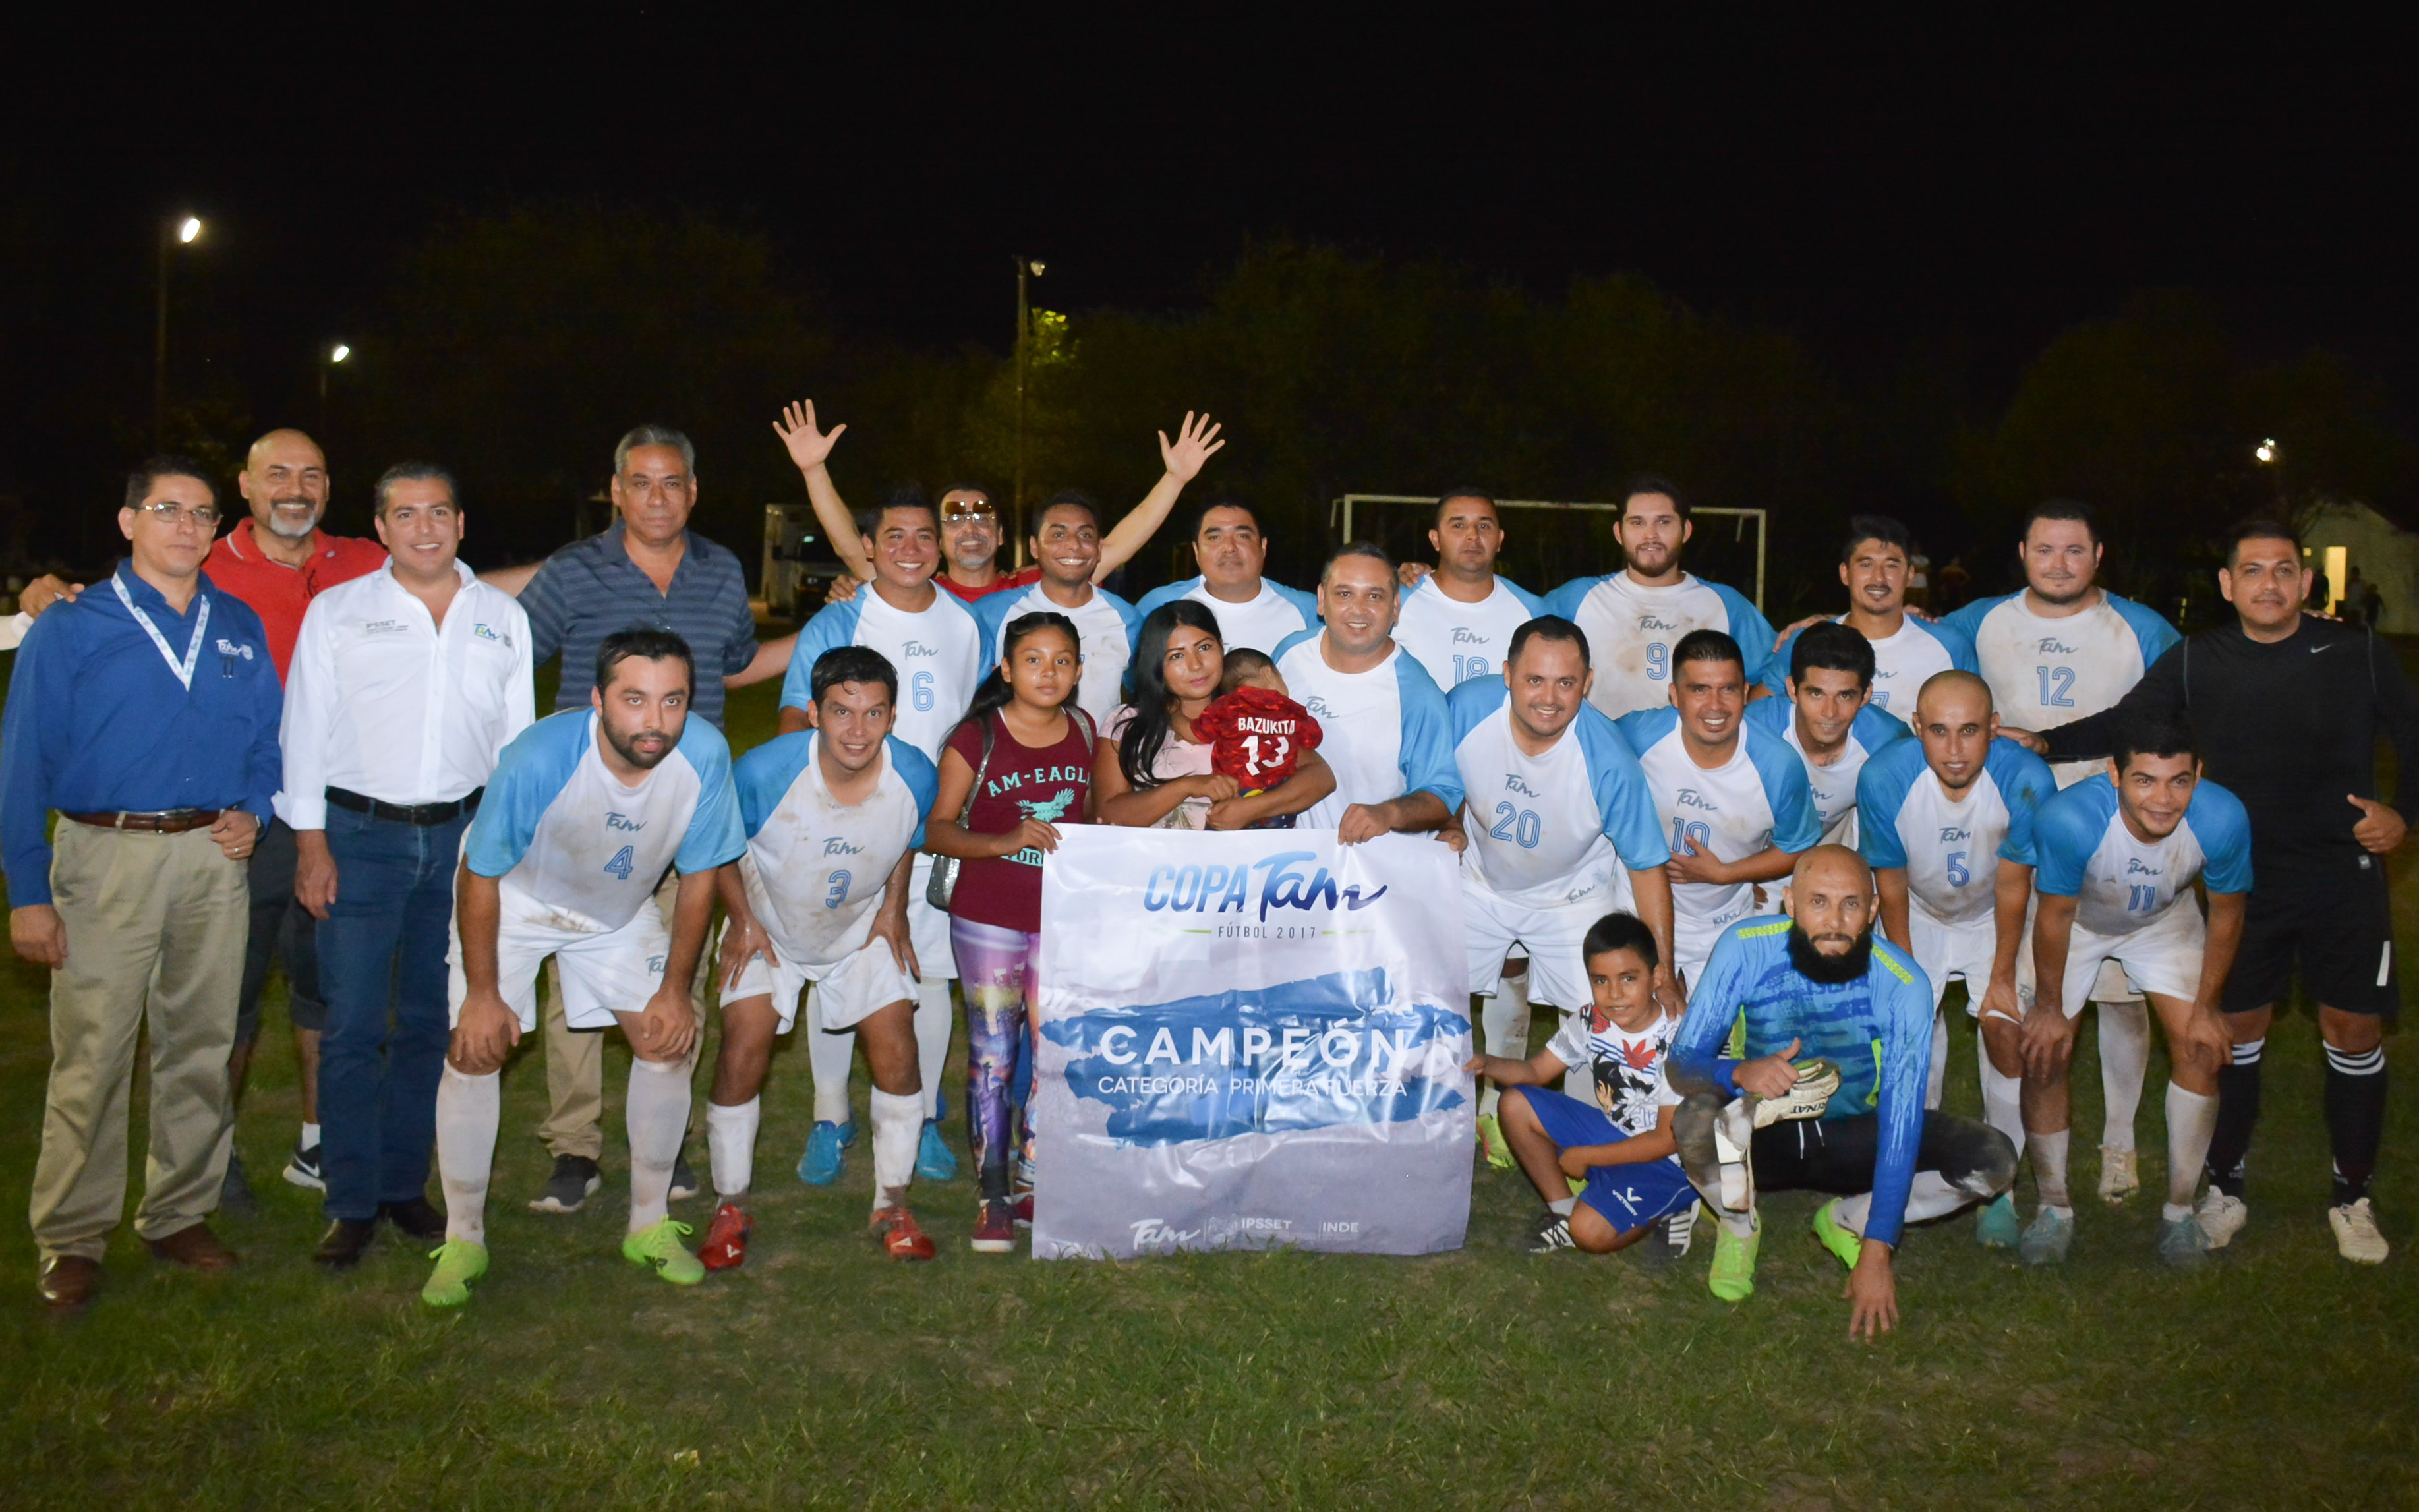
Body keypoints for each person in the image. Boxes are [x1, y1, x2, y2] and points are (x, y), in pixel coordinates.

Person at [2022, 520, 2416, 1264]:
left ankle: (2351, 1195)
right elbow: (2126, 721)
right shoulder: (2200, 659)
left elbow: (2414, 732)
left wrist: (2406, 817)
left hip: (2343, 875)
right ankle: (2225, 1186)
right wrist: (2043, 741)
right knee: (2231, 1034)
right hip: (2244, 877)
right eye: (2252, 572)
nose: (2269, 583)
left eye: (2284, 570)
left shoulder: (2357, 652)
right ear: (2228, 585)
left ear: (2304, 582)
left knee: (2352, 1029)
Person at [2, 457, 281, 1312]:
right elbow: (21, 762)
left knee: (200, 1045)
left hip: (212, 860)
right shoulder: (73, 624)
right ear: (128, 523)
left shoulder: (236, 623)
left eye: (202, 513)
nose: (187, 526)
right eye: (167, 509)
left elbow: (270, 740)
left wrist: (257, 809)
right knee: (93, 1053)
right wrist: (27, 888)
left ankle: (178, 1212)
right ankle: (74, 1235)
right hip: (105, 855)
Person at [499, 424, 791, 1215]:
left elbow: (734, 666)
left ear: (692, 492)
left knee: (679, 974)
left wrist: (831, 629)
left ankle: (670, 1140)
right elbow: (503, 655)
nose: (657, 497)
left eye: (672, 483)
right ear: (616, 490)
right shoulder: (575, 571)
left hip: (684, 811)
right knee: (576, 989)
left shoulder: (722, 570)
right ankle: (574, 1146)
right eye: (641, 482)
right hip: (588, 814)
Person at [423, 630, 744, 1307]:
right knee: (476, 1051)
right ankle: (463, 1236)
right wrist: (483, 993)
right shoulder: (541, 755)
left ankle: (649, 1224)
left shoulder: (706, 756)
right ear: (599, 700)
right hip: (515, 899)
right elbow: (480, 874)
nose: (654, 720)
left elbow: (700, 876)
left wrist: (675, 989)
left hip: (616, 912)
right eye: (634, 699)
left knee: (666, 1042)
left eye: (672, 700)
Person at [277, 463, 533, 1269]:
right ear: (381, 528)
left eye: (438, 512)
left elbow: (514, 745)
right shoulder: (339, 611)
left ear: (461, 523)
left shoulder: (501, 619)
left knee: (429, 1019)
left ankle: (402, 1185)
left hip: (460, 841)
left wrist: (501, 853)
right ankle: (349, 1203)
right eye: (404, 514)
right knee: (353, 1023)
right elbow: (304, 733)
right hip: (358, 838)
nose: (424, 527)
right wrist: (311, 844)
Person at [1670, 847, 2019, 1338]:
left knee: (1993, 1161)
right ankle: (1738, 1222)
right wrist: (1740, 1072)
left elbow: (1902, 1124)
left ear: (1873, 912)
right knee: (1695, 1121)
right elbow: (1682, 1065)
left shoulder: (1903, 984)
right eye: (1818, 902)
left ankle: (1848, 1218)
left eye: (1851, 905)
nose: (1834, 921)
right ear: (1789, 904)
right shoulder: (1745, 948)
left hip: (1854, 1141)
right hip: (1760, 1138)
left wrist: (1879, 1248)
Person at [1940, 499, 2180, 1204]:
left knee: (2123, 998)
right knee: (2025, 1001)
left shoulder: (2143, 628)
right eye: (2045, 550)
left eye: (2074, 550)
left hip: (2117, 831)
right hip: (2012, 832)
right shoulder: (1977, 621)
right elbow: (1898, 645)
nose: (2059, 563)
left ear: (2098, 555)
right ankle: (2014, 1151)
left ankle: (2119, 1142)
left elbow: (2194, 695)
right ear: (2022, 552)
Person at [699, 646, 940, 1269]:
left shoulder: (915, 773)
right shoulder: (762, 771)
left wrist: (893, 912)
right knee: (744, 1044)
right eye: (841, 711)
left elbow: (909, 840)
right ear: (814, 713)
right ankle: (731, 1202)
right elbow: (717, 843)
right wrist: (743, 920)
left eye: (873, 713)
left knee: (897, 1044)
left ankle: (891, 1201)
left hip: (857, 926)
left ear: (892, 717)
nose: (856, 730)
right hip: (771, 926)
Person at [780, 485, 985, 1187]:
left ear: (940, 545)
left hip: (932, 834)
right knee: (838, 965)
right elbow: (792, 723)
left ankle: (924, 1115)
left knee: (927, 972)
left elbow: (974, 723)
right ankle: (829, 1115)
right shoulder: (840, 618)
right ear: (868, 546)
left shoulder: (967, 623)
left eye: (923, 535)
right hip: (845, 830)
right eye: (893, 535)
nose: (909, 548)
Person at [1444, 617, 1677, 1170]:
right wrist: (1450, 820)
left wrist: (1662, 968)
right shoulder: (1465, 708)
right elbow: (1434, 778)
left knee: (1612, 1019)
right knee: (1431, 995)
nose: (1549, 698)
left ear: (1588, 683)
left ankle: (1586, 1143)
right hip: (1479, 880)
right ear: (1506, 674)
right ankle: (1441, 1125)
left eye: (1565, 683)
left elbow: (1646, 865)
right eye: (1534, 680)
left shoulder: (1608, 757)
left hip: (1572, 895)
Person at [2019, 714, 2250, 1268]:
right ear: (2113, 773)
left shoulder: (2222, 816)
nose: (2164, 799)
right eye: (2145, 780)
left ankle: (2179, 1211)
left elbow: (2227, 913)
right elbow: (2054, 917)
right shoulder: (2071, 819)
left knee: (2200, 1047)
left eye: (2179, 781)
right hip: (2077, 926)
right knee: (2045, 1053)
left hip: (2163, 923)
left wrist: (2208, 1007)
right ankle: (2054, 1206)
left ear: (2199, 774)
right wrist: (2049, 1009)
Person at [1856, 670, 2055, 1246]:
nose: (1954, 749)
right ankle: (1917, 1165)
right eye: (1938, 731)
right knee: (1912, 1033)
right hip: (1917, 910)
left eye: (1970, 731)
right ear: (1916, 727)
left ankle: (2002, 1186)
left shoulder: (2026, 778)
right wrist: (1909, 974)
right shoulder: (1886, 777)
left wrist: (1999, 977)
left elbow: (2016, 886)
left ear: (1994, 728)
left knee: (2005, 1031)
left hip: (1995, 915)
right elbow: (1889, 883)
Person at [925, 612, 1096, 1252]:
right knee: (994, 1052)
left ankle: (1033, 1172)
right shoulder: (977, 736)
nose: (1047, 672)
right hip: (988, 915)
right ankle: (992, 1194)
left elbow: (1097, 818)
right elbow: (937, 829)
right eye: (1032, 659)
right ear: (1006, 668)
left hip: (1060, 917)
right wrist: (1006, 839)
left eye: (1061, 661)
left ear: (1079, 671)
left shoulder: (1084, 731)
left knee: (1054, 1049)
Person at [776, 401, 1224, 602]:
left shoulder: (1034, 587)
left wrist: (1173, 478)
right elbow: (852, 548)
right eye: (954, 516)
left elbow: (1113, 547)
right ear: (935, 538)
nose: (970, 527)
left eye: (983, 515)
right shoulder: (914, 589)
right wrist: (814, 471)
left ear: (1003, 534)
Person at [1465, 914, 1698, 1258]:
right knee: (1514, 1104)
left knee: (1589, 1234)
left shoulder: (1680, 1041)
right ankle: (1562, 1211)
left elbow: (1666, 1140)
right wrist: (1489, 1064)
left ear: (1657, 976)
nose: (1615, 994)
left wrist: (1587, 1156)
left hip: (1667, 1162)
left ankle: (1674, 1205)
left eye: (1628, 978)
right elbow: (1534, 1072)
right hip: (1613, 1133)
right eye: (1601, 981)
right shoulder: (1592, 1020)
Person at [1614, 630, 1820, 987]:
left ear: (1744, 694)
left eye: (1727, 689)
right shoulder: (1638, 735)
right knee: (1628, 1029)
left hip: (1723, 916)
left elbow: (1798, 846)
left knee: (1718, 1039)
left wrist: (1727, 873)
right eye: (1699, 690)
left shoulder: (1778, 765)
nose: (1715, 705)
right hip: (1632, 907)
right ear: (1675, 695)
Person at [1541, 475, 1778, 719]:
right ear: (1619, 532)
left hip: (1689, 756)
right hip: (1599, 753)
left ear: (1685, 530)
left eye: (1664, 522)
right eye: (1637, 523)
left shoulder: (1726, 604)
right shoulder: (1576, 599)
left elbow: (1779, 674)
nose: (1650, 535)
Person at [1271, 543, 1462, 842]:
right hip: (1290, 869)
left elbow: (1443, 795)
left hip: (1374, 876)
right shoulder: (1288, 654)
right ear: (1322, 600)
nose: (1359, 609)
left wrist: (1388, 814)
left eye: (1374, 596)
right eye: (1344, 594)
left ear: (1395, 607)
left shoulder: (1418, 695)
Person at [1096, 602, 1337, 832]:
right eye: (1177, 656)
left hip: (1241, 870)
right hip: (1153, 872)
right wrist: (1187, 786)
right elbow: (1108, 815)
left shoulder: (1251, 713)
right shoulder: (1127, 724)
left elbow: (1321, 778)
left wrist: (1250, 810)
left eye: (1204, 647)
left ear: (1221, 647)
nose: (1196, 665)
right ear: (1156, 666)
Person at [1766, 516, 1979, 728]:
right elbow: (1759, 715)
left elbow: (1977, 724)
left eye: (1891, 566)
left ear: (1910, 575)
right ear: (1845, 573)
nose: (1879, 578)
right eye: (1866, 565)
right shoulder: (1808, 641)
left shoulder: (1950, 645)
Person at [972, 491, 1144, 726]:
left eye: (1085, 535)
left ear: (1099, 547)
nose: (1073, 545)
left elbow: (1148, 697)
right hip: (1015, 760)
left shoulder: (1127, 619)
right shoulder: (991, 614)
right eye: (1058, 534)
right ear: (1035, 546)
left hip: (1099, 760)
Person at [1742, 621, 1909, 846]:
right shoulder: (1753, 729)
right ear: (1792, 689)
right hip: (1741, 862)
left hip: (1826, 870)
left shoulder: (1888, 741)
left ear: (1866, 694)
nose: (1830, 712)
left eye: (1845, 696)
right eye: (1816, 694)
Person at [1390, 488, 1547, 690]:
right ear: (1435, 539)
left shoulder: (1534, 613)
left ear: (1499, 539)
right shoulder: (1397, 601)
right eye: (1458, 525)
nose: (1473, 535)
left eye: (1484, 526)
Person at [1133, 496, 1324, 655]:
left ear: (1263, 546)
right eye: (1215, 538)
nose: (1229, 548)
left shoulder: (1309, 610)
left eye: (1243, 536)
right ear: (1196, 550)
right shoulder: (1160, 606)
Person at [1190, 648, 1323, 828]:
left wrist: (1175, 717)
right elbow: (1313, 738)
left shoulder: (1226, 708)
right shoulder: (1292, 710)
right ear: (1269, 674)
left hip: (1237, 792)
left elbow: (1200, 732)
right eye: (1281, 676)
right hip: (1278, 793)